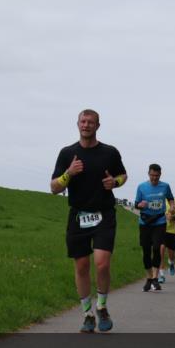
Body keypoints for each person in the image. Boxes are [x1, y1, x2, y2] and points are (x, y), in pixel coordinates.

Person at [51, 109, 127, 333]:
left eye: (91, 122)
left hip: (104, 214)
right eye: (83, 121)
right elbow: (54, 187)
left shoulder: (110, 152)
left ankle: (102, 307)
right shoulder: (67, 154)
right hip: (78, 216)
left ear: (98, 126)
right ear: (77, 124)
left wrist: (115, 182)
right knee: (82, 265)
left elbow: (123, 175)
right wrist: (69, 174)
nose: (86, 125)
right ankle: (87, 314)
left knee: (102, 263)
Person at [134, 164, 174, 290]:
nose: (154, 178)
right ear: (148, 174)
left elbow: (170, 199)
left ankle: (156, 278)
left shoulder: (165, 186)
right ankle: (149, 278)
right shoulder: (141, 187)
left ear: (160, 175)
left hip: (159, 221)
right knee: (146, 251)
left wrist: (172, 207)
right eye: (152, 175)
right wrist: (141, 205)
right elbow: (136, 204)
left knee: (157, 248)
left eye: (156, 176)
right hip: (145, 222)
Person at [161, 195, 175, 278]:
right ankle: (161, 274)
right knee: (161, 250)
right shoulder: (159, 200)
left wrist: (173, 217)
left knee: (171, 254)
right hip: (160, 229)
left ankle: (171, 263)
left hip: (172, 231)